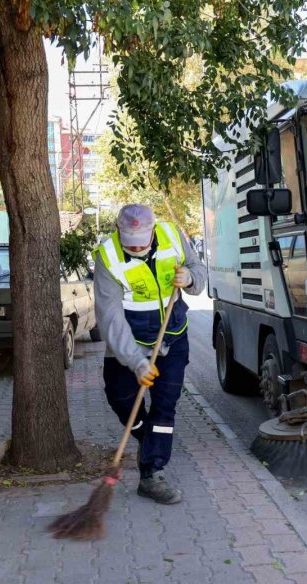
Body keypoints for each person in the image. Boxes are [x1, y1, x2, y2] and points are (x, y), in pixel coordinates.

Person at [92, 204, 205, 505]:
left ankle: (152, 474)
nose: (138, 248)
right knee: (120, 398)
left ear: (153, 231)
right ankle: (148, 439)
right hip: (130, 341)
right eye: (132, 245)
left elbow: (199, 270)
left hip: (173, 337)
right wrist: (137, 363)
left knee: (165, 407)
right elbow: (110, 319)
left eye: (142, 242)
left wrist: (190, 278)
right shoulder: (108, 257)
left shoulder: (172, 235)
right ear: (118, 233)